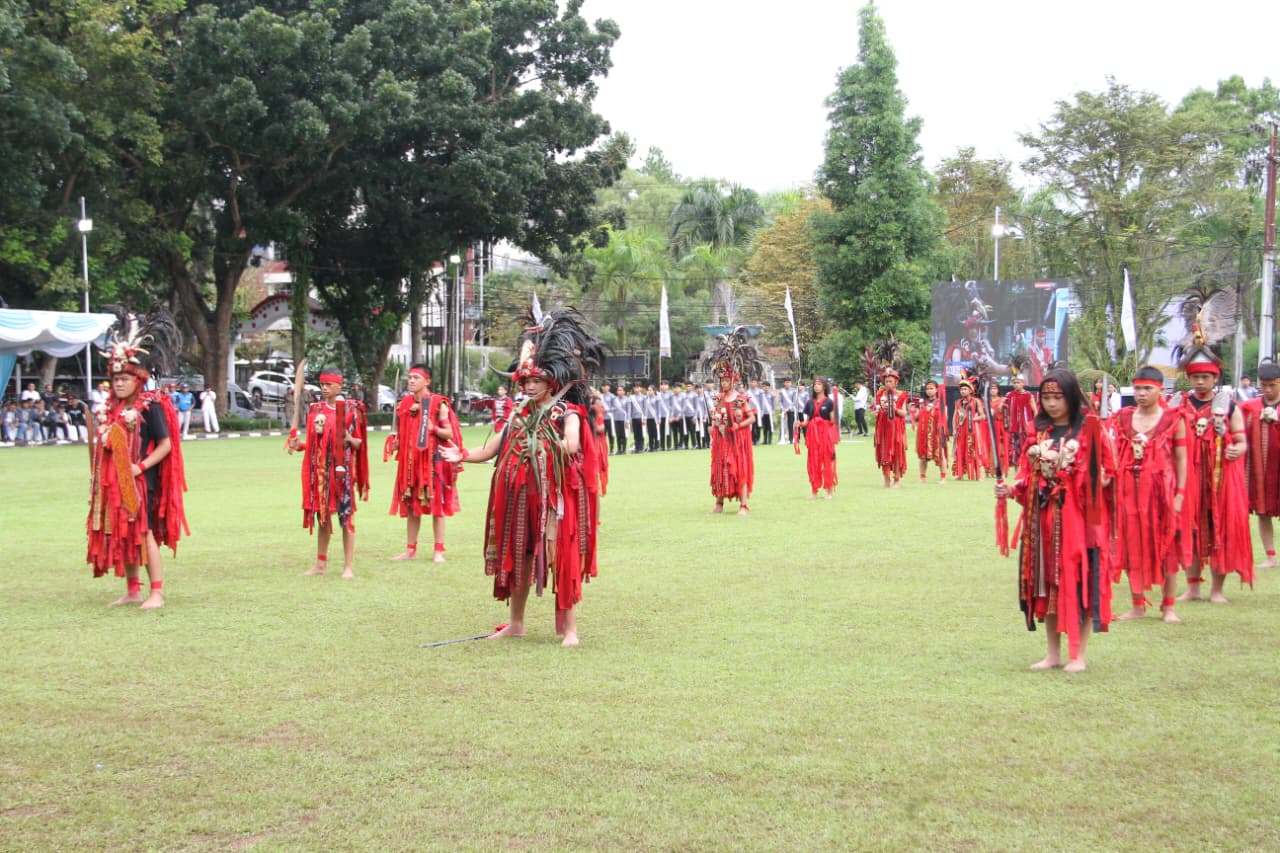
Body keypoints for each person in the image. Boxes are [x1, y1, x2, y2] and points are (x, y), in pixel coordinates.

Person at [443, 310, 605, 647]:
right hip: (519, 500)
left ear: (551, 384)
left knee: (562, 557)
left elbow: (573, 442)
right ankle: (516, 623)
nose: (530, 386)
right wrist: (461, 454)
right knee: (520, 557)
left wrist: (558, 444)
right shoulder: (518, 415)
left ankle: (571, 630)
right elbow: (491, 449)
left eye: (536, 382)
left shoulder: (566, 413)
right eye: (526, 382)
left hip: (553, 501)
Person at [996, 369, 1114, 672]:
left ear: (1071, 397)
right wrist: (1010, 489)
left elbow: (1107, 473)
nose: (1051, 404)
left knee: (1079, 583)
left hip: (1081, 523)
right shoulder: (1040, 433)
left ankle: (1079, 655)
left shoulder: (1089, 429)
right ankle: (1053, 654)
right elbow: (1026, 476)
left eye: (1057, 397)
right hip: (1044, 521)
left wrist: (1089, 479)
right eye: (1046, 398)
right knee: (1045, 584)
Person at [86, 316, 188, 609]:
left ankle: (156, 591)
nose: (118, 384)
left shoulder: (151, 406)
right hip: (113, 483)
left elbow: (166, 444)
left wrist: (139, 467)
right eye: (115, 379)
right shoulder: (111, 410)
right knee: (122, 532)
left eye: (124, 379)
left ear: (138, 379)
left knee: (143, 533)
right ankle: (133, 590)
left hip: (141, 482)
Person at [1112, 366, 1188, 623]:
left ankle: (1168, 607)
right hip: (1128, 493)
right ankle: (1137, 604)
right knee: (1131, 546)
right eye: (1138, 389)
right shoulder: (1123, 418)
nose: (1141, 394)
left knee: (1167, 548)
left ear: (1160, 390)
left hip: (1161, 494)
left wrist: (1179, 494)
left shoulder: (1173, 419)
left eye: (1148, 389)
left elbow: (1181, 459)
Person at [1176, 345, 1251, 602]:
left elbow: (1242, 442)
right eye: (1195, 377)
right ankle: (1193, 587)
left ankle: (1217, 590)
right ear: (1189, 378)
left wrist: (1235, 449)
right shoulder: (1179, 404)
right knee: (1191, 530)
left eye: (1205, 377)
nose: (1200, 382)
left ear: (1215, 378)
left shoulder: (1229, 407)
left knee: (1220, 529)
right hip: (1189, 477)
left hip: (1221, 479)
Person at [288, 369, 369, 578]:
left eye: (329, 385)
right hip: (321, 473)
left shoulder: (350, 410)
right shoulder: (315, 410)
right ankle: (321, 563)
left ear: (339, 387)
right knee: (322, 517)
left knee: (346, 518)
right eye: (322, 385)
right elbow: (314, 444)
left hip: (342, 472)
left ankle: (348, 566)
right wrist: (299, 445)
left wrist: (349, 437)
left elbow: (359, 444)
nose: (324, 388)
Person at [386, 365, 462, 563]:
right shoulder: (404, 404)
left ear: (426, 381)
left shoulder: (439, 403)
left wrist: (433, 428)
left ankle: (439, 550)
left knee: (437, 505)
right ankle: (410, 549)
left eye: (416, 378)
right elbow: (404, 433)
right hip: (410, 463)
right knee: (412, 506)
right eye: (409, 377)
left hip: (433, 462)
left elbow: (449, 433)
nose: (411, 381)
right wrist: (396, 443)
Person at [704, 329, 761, 514]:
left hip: (738, 440)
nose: (724, 384)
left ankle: (743, 505)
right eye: (722, 381)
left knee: (740, 470)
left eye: (727, 381)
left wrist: (738, 425)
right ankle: (719, 503)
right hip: (722, 440)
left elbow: (751, 417)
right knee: (720, 470)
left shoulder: (740, 398)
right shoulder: (717, 398)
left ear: (733, 381)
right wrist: (713, 425)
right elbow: (715, 418)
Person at [1242, 362, 1280, 569]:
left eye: (1272, 385)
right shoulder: (1250, 407)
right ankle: (1271, 556)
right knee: (1263, 513)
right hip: (1261, 471)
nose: (1267, 389)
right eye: (1264, 385)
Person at [797, 377, 838, 498]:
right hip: (813, 437)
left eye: (819, 384)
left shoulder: (829, 402)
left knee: (827, 462)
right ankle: (814, 491)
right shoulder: (809, 402)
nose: (816, 386)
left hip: (825, 437)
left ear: (824, 387)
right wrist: (799, 424)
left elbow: (832, 421)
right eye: (815, 384)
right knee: (813, 463)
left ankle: (829, 492)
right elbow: (807, 421)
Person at [950, 376, 991, 481]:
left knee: (974, 451)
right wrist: (954, 429)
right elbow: (955, 417)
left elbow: (983, 416)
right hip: (960, 431)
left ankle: (978, 475)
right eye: (961, 389)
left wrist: (974, 418)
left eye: (965, 389)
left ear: (970, 390)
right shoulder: (958, 402)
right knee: (960, 451)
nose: (963, 391)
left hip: (972, 430)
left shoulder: (976, 401)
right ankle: (960, 474)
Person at [873, 370, 908, 487]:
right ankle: (886, 479)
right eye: (886, 381)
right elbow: (876, 409)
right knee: (883, 452)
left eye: (890, 381)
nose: (888, 384)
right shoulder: (880, 394)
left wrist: (895, 409)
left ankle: (896, 479)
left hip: (896, 427)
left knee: (896, 453)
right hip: (883, 426)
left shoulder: (901, 394)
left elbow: (904, 413)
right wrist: (877, 410)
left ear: (896, 382)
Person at [915, 379, 947, 483]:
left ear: (937, 390)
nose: (929, 391)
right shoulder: (922, 403)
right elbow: (916, 417)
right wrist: (914, 411)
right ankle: (922, 477)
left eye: (931, 388)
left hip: (936, 433)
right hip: (923, 433)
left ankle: (943, 477)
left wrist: (933, 410)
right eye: (927, 389)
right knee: (922, 457)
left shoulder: (941, 403)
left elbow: (945, 417)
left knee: (940, 455)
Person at [1004, 375, 1037, 472]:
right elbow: (1004, 409)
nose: (1016, 385)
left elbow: (1035, 411)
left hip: (1026, 427)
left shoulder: (1029, 395)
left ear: (1023, 383)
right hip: (1014, 427)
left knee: (1026, 447)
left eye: (1018, 382)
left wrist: (1034, 424)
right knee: (1015, 448)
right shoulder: (1009, 395)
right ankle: (1016, 470)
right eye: (1014, 383)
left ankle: (1027, 469)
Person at [778, 378, 799, 444]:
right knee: (782, 424)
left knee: (791, 425)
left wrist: (788, 408)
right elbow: (780, 401)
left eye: (789, 382)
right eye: (786, 382)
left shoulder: (794, 391)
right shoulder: (781, 391)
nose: (787, 384)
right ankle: (781, 439)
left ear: (791, 383)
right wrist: (782, 408)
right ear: (784, 383)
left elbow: (794, 401)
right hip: (783, 410)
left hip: (791, 410)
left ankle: (791, 439)